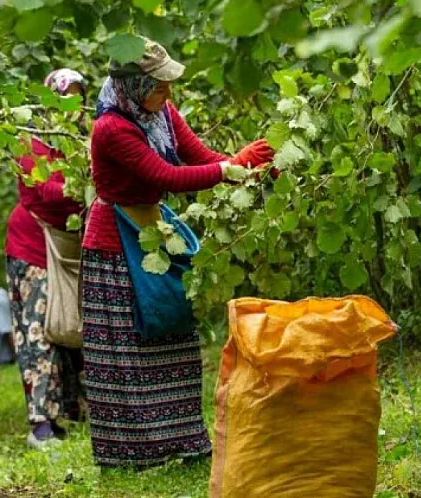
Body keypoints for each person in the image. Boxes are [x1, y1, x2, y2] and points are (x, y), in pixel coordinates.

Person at [81, 37, 274, 468]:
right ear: (133, 84)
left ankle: (183, 441)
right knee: (128, 347)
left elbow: (201, 158)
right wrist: (228, 169)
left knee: (172, 331)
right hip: (116, 242)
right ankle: (131, 454)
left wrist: (246, 168)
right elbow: (167, 174)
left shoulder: (162, 114)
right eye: (159, 85)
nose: (168, 93)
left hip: (154, 233)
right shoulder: (111, 128)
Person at [5, 68, 87, 449]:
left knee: (72, 328)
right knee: (39, 331)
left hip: (70, 251)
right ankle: (40, 424)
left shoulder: (80, 143)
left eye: (77, 98)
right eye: (63, 98)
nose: (70, 106)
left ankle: (75, 411)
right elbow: (47, 193)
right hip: (32, 248)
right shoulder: (32, 144)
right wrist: (86, 185)